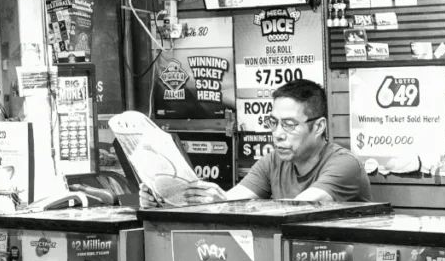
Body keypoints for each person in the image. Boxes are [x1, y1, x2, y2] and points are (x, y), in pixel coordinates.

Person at [140, 79, 372, 208]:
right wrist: (168, 199)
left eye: (290, 124)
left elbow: (300, 209)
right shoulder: (273, 161)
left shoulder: (344, 164)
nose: (278, 134)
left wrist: (224, 204)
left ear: (319, 126)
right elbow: (231, 199)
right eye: (274, 122)